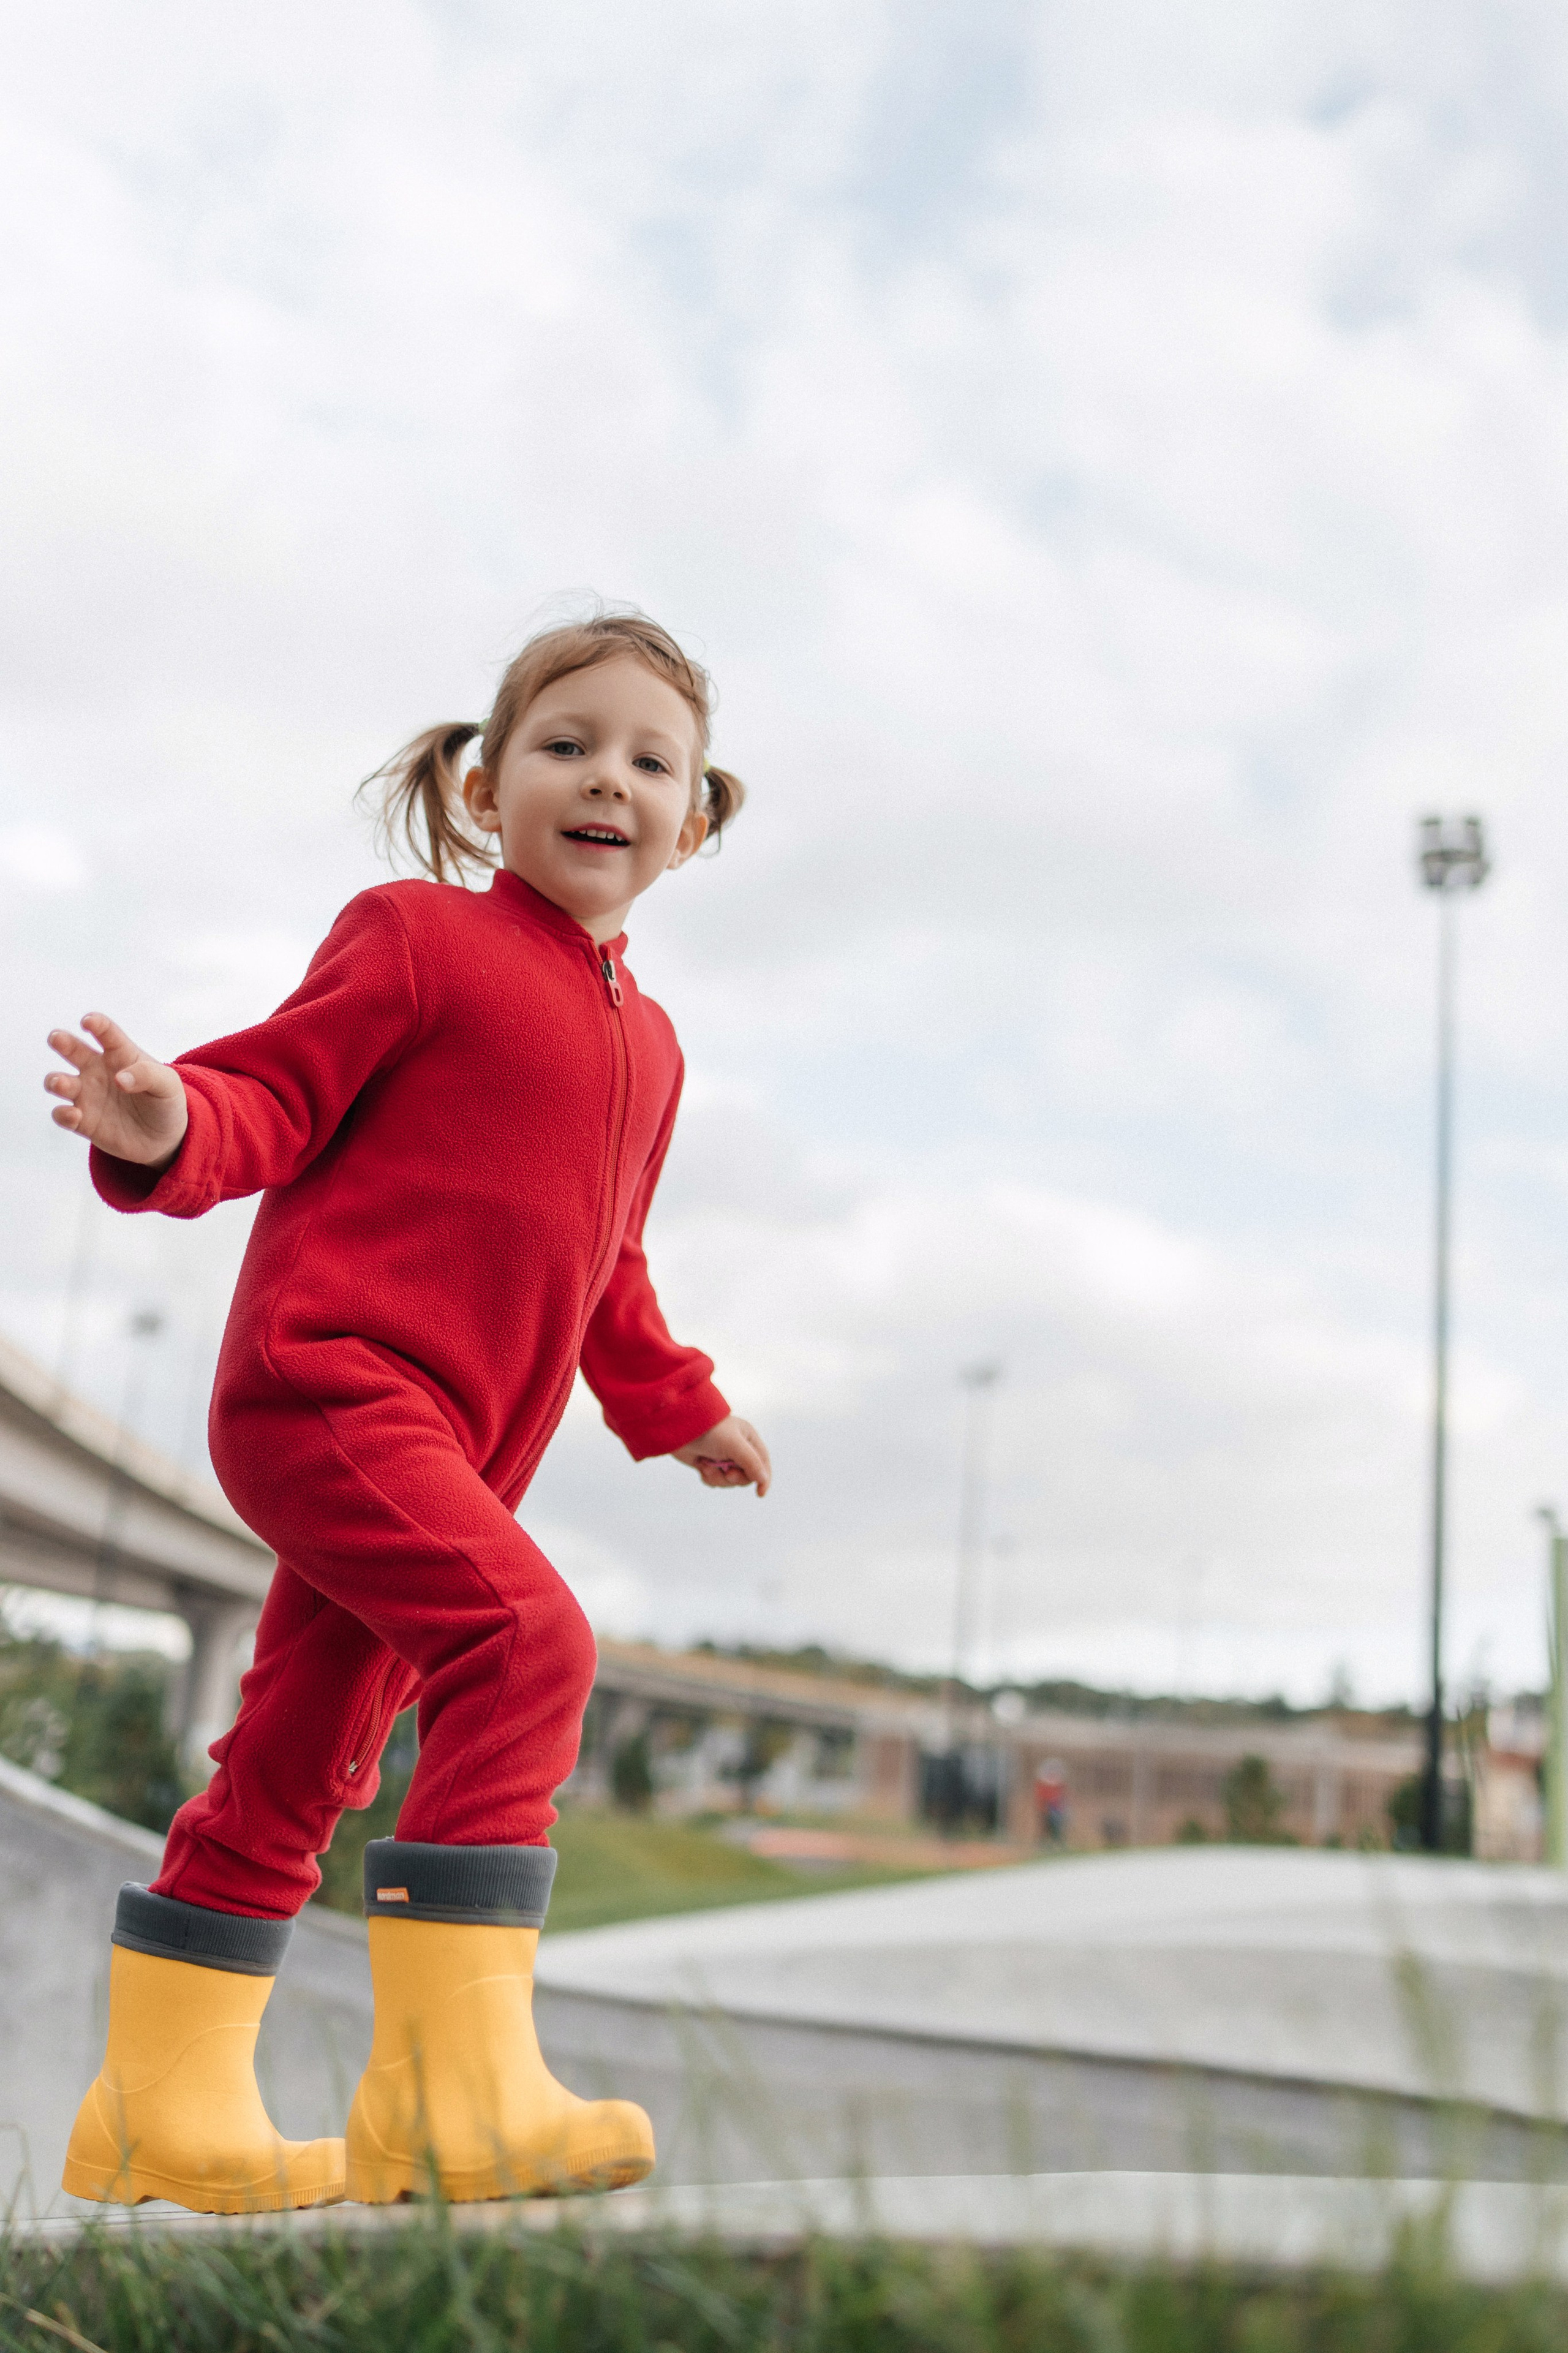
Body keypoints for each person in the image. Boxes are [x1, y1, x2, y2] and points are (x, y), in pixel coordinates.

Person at [45, 611, 771, 2213]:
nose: (609, 779)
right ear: (483, 790)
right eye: (567, 745)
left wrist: (679, 1404)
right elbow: (276, 1091)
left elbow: (608, 1264)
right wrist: (172, 1124)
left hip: (446, 1453)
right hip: (328, 1387)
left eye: (651, 762)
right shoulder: (419, 938)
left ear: (693, 824)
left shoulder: (654, 1051)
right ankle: (448, 2098)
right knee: (526, 1641)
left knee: (300, 1761)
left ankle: (158, 2111)